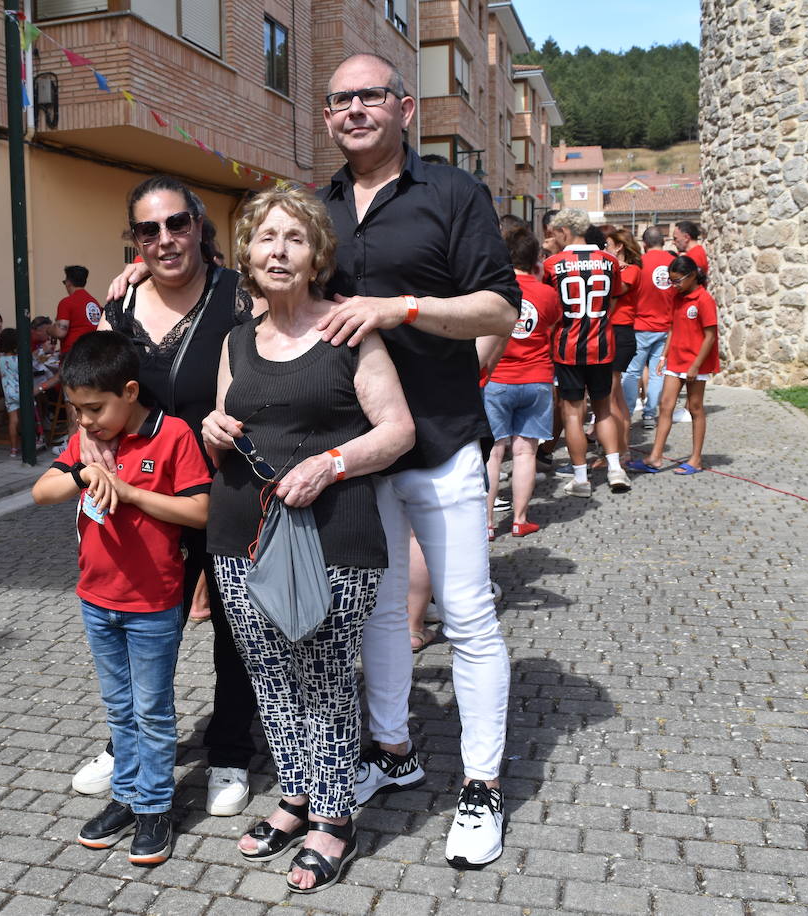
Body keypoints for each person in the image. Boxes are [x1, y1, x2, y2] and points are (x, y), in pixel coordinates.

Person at [313, 52, 519, 870]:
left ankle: (481, 786)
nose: (354, 109)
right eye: (339, 99)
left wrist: (400, 306)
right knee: (383, 612)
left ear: (404, 108)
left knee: (466, 615)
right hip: (359, 444)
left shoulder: (454, 194)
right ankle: (392, 751)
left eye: (369, 96)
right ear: (326, 115)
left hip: (437, 436)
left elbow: (498, 305)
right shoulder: (317, 204)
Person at [202, 186, 415, 893]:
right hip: (241, 534)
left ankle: (334, 816)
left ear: (318, 253)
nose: (279, 251)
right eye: (265, 239)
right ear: (247, 255)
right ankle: (295, 797)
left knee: (322, 680)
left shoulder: (348, 332)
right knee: (269, 675)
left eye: (294, 238)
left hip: (333, 536)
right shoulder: (238, 340)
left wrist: (329, 464)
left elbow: (396, 431)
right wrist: (213, 429)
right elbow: (228, 417)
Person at [83, 174, 261, 819]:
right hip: (141, 495)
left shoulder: (240, 294)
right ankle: (125, 745)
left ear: (200, 225)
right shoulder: (121, 306)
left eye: (177, 223)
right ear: (133, 240)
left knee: (235, 631)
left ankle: (229, 752)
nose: (165, 240)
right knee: (135, 624)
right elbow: (97, 389)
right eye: (147, 230)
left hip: (226, 485)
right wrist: (93, 453)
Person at [32, 331, 211, 866]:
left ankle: (156, 806)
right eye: (75, 409)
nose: (84, 420)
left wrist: (131, 493)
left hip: (154, 603)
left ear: (130, 391)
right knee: (120, 709)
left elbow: (201, 512)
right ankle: (128, 798)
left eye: (94, 408)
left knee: (151, 710)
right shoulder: (87, 443)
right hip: (96, 599)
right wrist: (85, 470)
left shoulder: (173, 434)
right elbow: (42, 492)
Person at [543, 209, 628, 496]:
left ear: (565, 231)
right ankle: (616, 469)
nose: (552, 238)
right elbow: (614, 298)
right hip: (602, 344)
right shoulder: (609, 261)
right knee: (603, 410)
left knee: (572, 415)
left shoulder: (552, 264)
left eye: (555, 232)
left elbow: (548, 306)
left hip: (567, 346)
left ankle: (581, 478)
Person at [485, 226, 562, 538]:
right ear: (537, 259)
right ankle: (519, 519)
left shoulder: (494, 290)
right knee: (525, 452)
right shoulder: (547, 294)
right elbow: (553, 324)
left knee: (492, 452)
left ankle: (487, 523)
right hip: (537, 378)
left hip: (498, 378)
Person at [629, 255, 718, 475]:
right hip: (675, 361)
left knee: (695, 408)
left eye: (677, 280)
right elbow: (671, 328)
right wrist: (663, 357)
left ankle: (696, 458)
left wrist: (696, 366)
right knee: (665, 406)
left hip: (696, 363)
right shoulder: (676, 297)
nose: (674, 285)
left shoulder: (704, 300)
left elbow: (710, 336)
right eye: (671, 281)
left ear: (692, 276)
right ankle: (655, 458)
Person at [625, 227, 675, 430]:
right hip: (667, 326)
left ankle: (626, 412)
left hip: (640, 324)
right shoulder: (674, 263)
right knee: (657, 373)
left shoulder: (639, 264)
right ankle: (650, 415)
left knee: (632, 372)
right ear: (663, 241)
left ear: (644, 243)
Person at [605, 228, 643, 464]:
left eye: (608, 244)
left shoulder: (632, 271)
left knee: (610, 398)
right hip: (614, 333)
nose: (605, 248)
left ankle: (618, 453)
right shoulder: (619, 270)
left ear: (619, 246)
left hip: (621, 334)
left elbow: (615, 292)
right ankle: (622, 450)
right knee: (616, 398)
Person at [0, 328, 55, 457]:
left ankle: (13, 449)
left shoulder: (0, 360)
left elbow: (1, 375)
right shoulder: (20, 359)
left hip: (9, 392)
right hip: (23, 391)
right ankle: (33, 441)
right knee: (31, 417)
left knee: (13, 420)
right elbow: (31, 364)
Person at [54, 266, 102, 354]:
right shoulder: (95, 303)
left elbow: (60, 332)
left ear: (68, 282)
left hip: (73, 355)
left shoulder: (66, 302)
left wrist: (49, 330)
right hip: (93, 353)